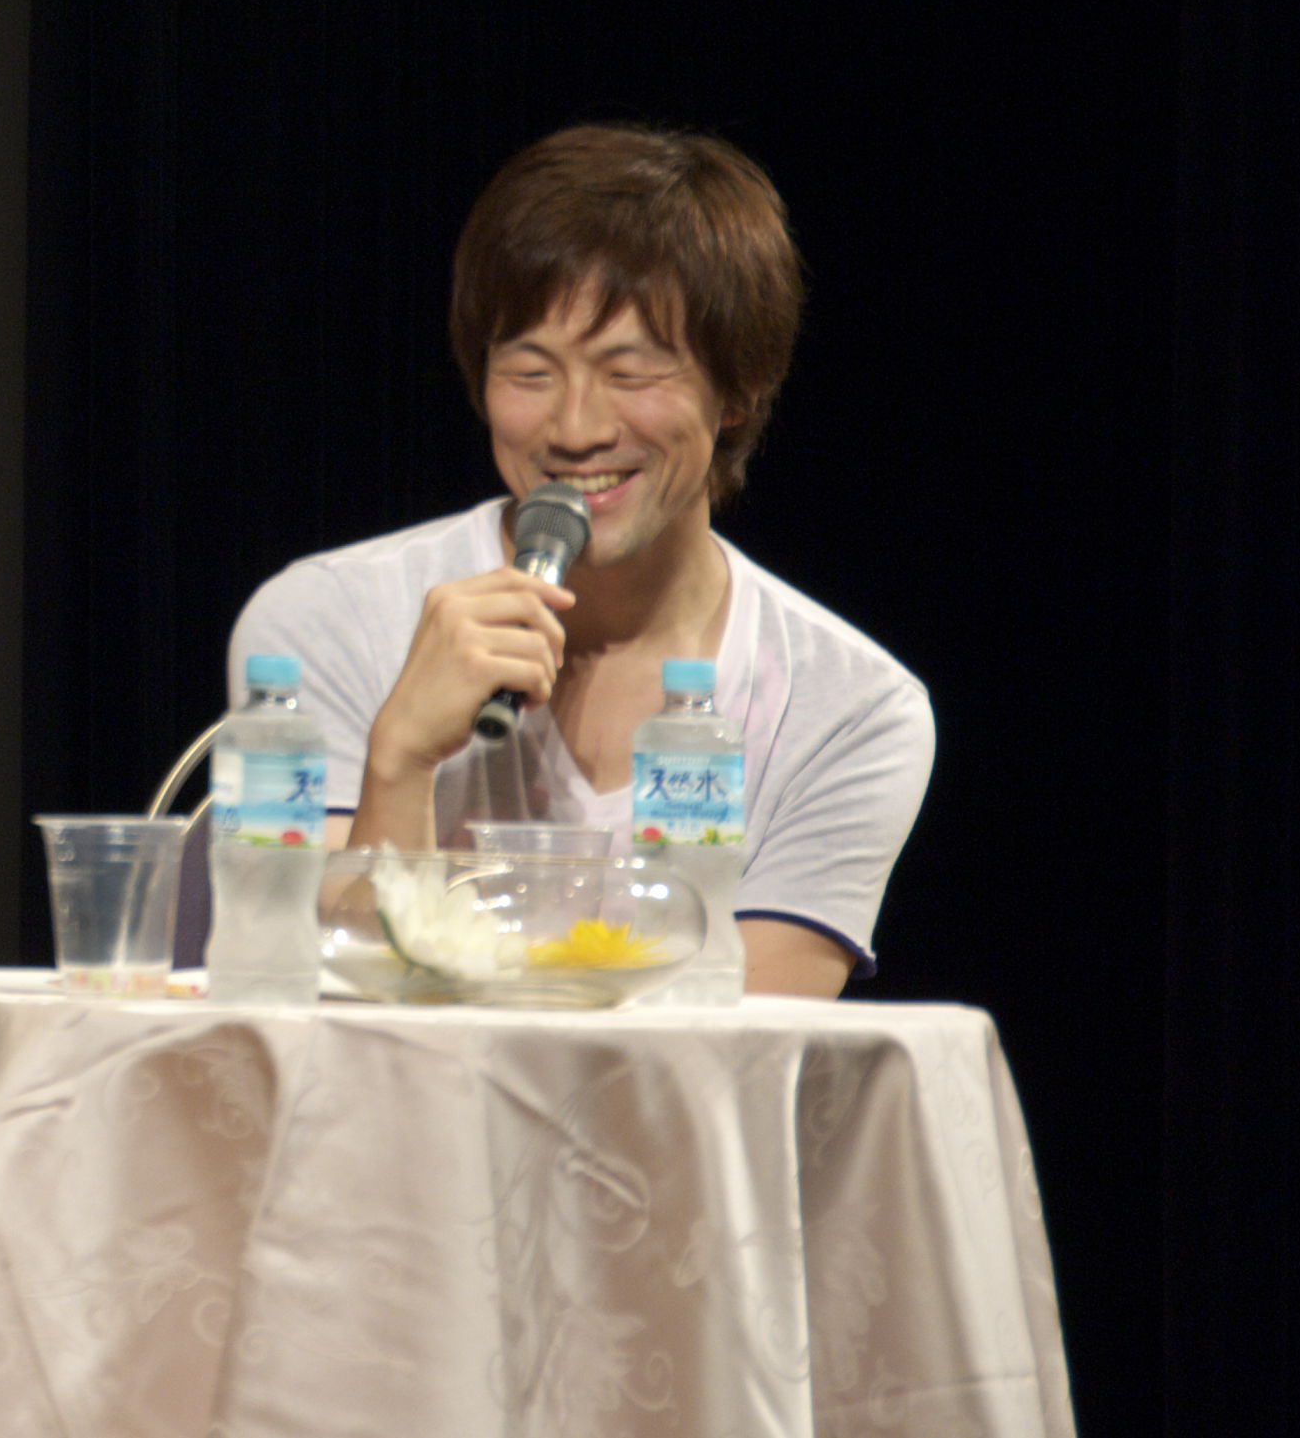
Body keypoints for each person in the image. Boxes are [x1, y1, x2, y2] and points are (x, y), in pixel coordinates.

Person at [229, 124, 930, 997]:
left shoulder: (851, 709)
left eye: (629, 373)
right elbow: (322, 1009)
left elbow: (747, 1043)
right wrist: (400, 758)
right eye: (531, 373)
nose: (575, 428)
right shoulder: (328, 618)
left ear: (739, 390)